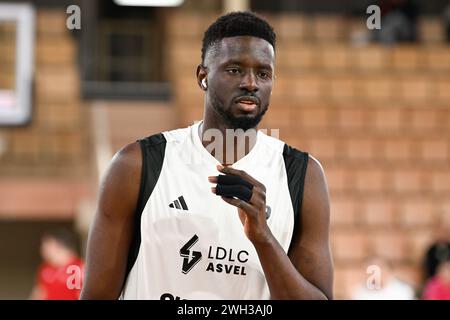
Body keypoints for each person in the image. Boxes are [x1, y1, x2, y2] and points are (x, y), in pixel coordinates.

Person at [80, 11, 333, 300]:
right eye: (235, 69)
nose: (251, 83)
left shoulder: (303, 175)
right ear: (203, 76)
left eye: (263, 73)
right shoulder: (137, 165)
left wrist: (263, 238)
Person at [30, 229, 84, 300]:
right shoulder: (45, 268)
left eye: (46, 245)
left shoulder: (79, 267)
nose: (42, 250)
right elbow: (40, 293)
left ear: (58, 245)